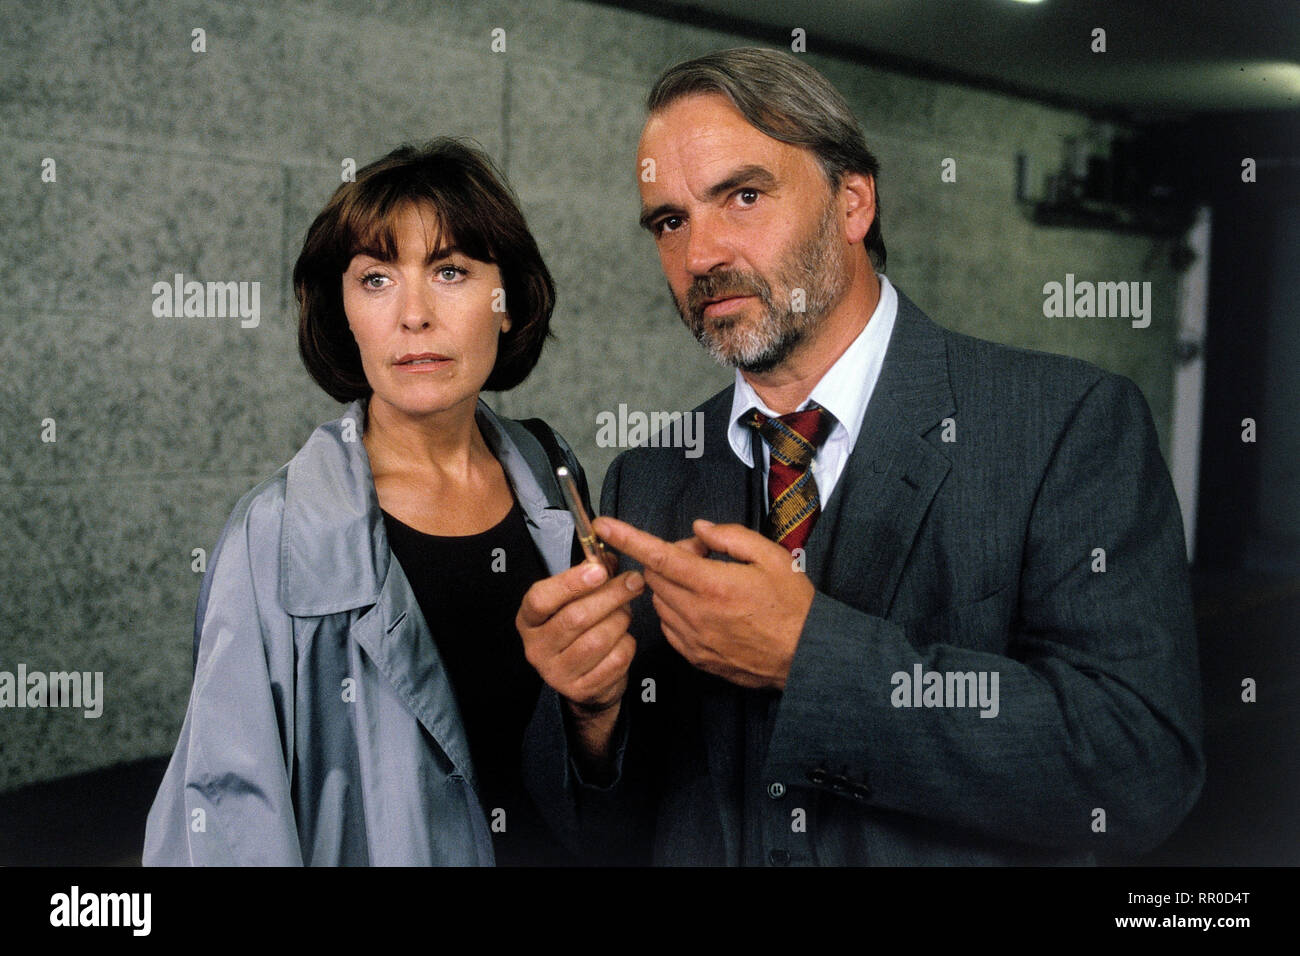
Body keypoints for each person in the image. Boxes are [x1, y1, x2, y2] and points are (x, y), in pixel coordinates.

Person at [518, 48, 1205, 865]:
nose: (700, 255)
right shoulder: (651, 473)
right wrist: (589, 719)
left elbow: (1138, 770)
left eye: (742, 195)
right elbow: (599, 830)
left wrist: (808, 657)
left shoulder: (1065, 428)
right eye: (671, 220)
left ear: (852, 201)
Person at [143, 139, 641, 865]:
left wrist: (597, 715)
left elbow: (585, 767)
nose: (414, 315)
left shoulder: (551, 472)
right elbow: (223, 816)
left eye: (450, 272)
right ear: (344, 312)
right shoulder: (276, 531)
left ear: (508, 304)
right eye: (375, 280)